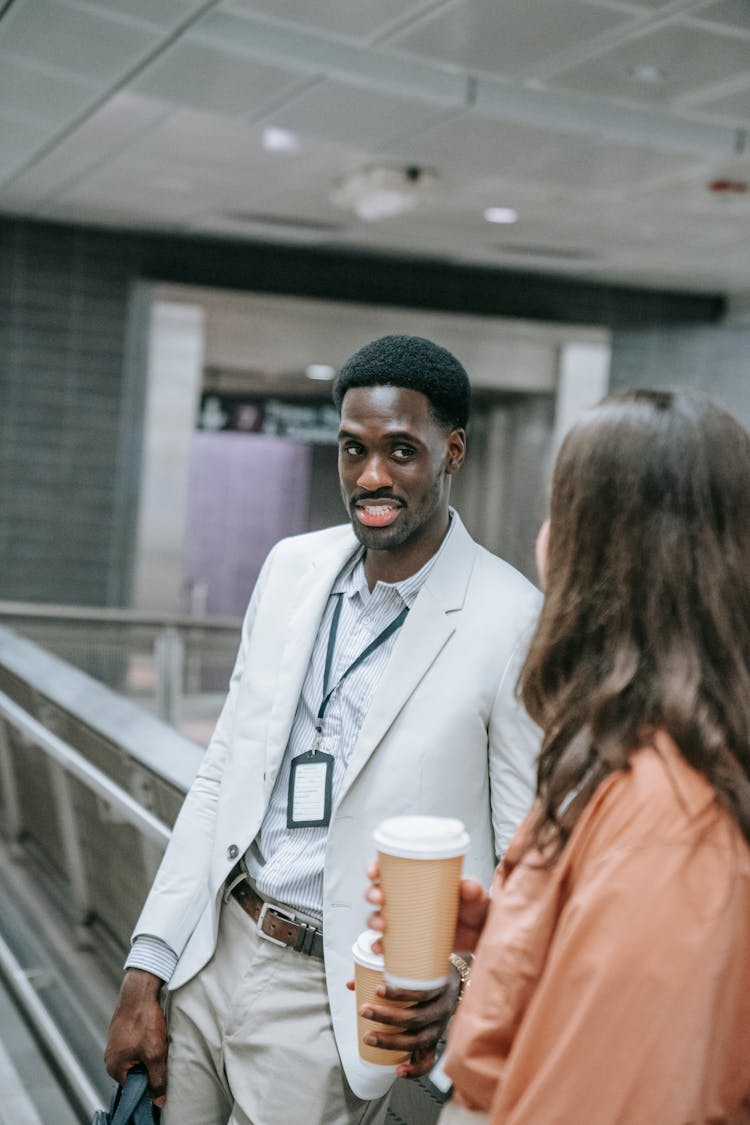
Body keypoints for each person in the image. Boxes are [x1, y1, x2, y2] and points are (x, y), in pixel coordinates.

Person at [104, 334, 541, 1125]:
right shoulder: (291, 569)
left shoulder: (511, 618)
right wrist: (147, 965)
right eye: (353, 449)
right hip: (214, 951)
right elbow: (222, 774)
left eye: (401, 451)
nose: (371, 476)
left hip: (333, 998)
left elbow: (524, 856)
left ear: (453, 451)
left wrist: (466, 982)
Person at [411, 389, 750, 1123]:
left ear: (598, 551)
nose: (542, 537)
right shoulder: (633, 752)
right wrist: (502, 929)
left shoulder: (671, 818)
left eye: (560, 513)